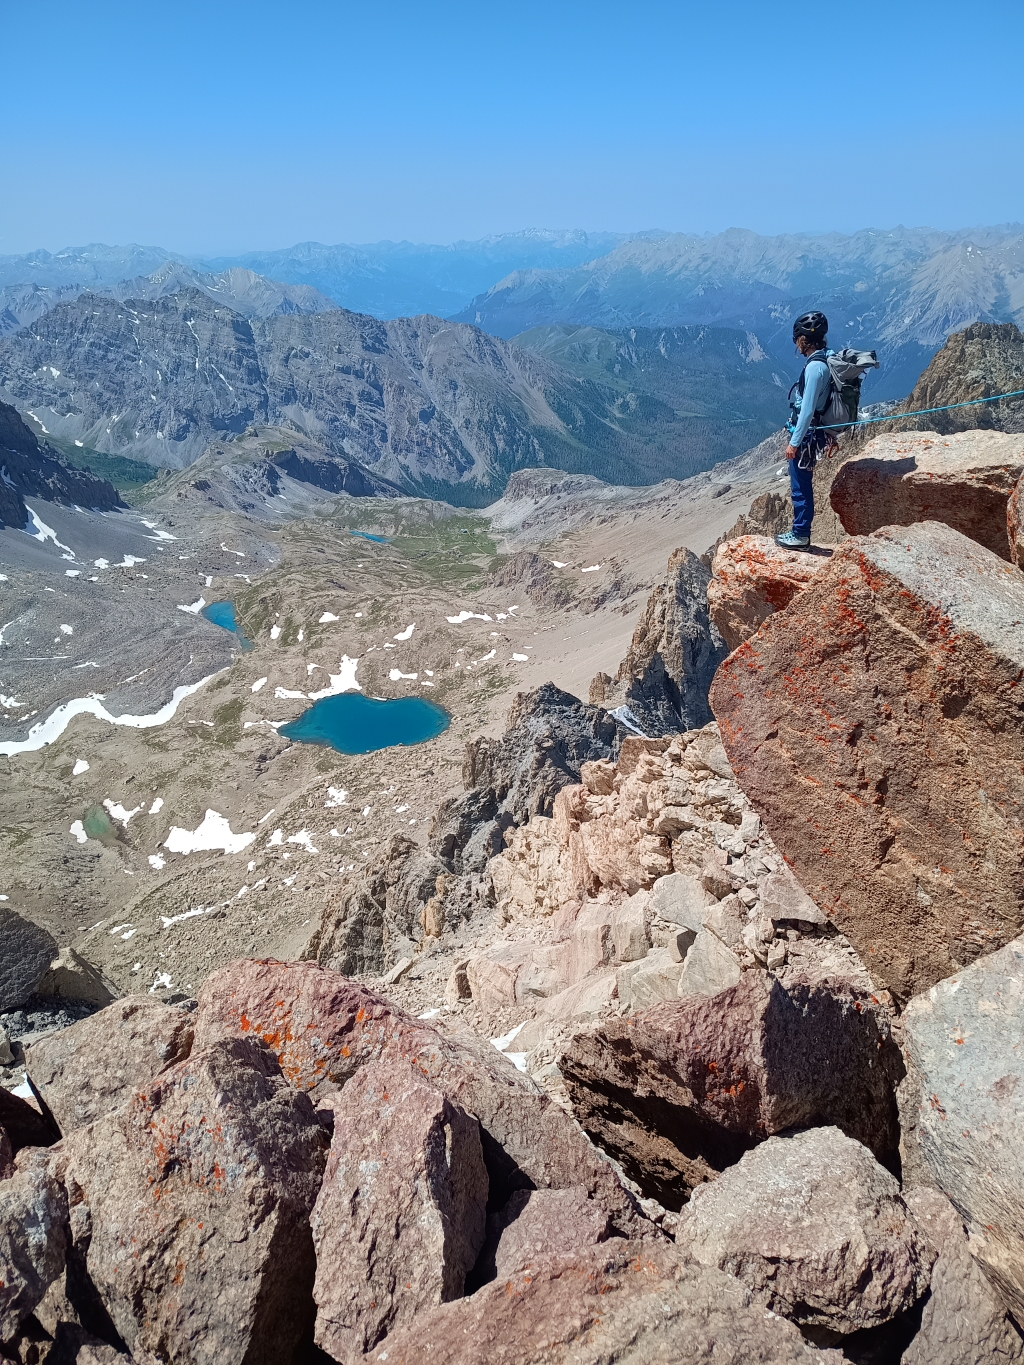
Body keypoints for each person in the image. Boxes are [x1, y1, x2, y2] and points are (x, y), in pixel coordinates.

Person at [775, 311, 834, 549]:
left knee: (800, 484)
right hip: (816, 433)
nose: (796, 344)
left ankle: (800, 534)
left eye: (797, 339)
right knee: (803, 482)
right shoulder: (826, 360)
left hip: (807, 436)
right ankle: (801, 532)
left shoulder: (814, 368)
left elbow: (808, 410)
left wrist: (794, 443)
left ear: (803, 340)